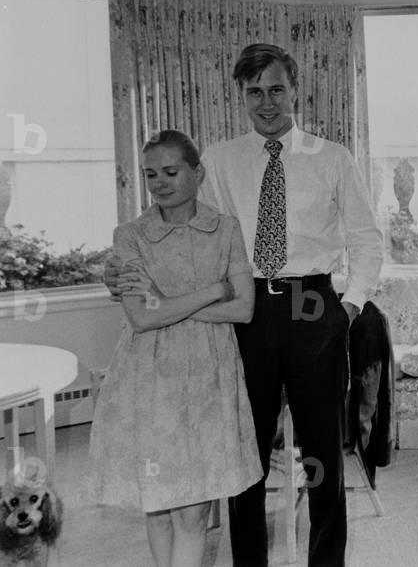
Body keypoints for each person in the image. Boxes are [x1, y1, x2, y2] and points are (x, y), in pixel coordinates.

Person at [106, 44, 383, 567]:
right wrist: (118, 266)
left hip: (312, 307)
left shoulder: (332, 157)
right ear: (242, 97)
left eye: (276, 89)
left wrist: (347, 308)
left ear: (294, 90)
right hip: (245, 310)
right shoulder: (219, 158)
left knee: (323, 454)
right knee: (243, 456)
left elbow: (367, 240)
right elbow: (177, 226)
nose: (267, 103)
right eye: (254, 92)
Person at [90, 130, 262, 567]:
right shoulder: (129, 235)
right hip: (148, 378)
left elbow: (243, 309)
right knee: (159, 502)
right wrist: (212, 291)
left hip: (210, 374)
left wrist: (166, 303)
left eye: (171, 171)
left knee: (194, 510)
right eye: (151, 175)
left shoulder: (225, 228)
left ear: (197, 172)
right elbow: (142, 317)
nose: (160, 183)